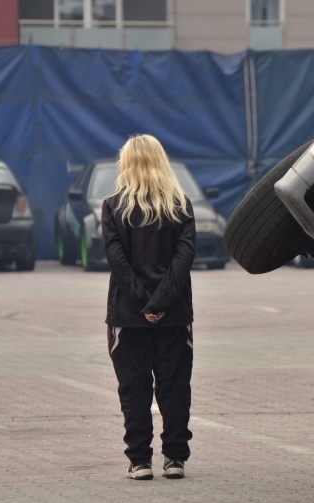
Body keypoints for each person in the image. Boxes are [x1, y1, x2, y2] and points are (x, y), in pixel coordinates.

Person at [101, 134, 196, 480]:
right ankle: (175, 458)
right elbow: (183, 261)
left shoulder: (113, 207)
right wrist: (161, 304)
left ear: (126, 164)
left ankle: (139, 461)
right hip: (175, 316)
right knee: (174, 387)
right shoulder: (181, 205)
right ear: (161, 161)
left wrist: (143, 304)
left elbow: (118, 263)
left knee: (134, 389)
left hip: (128, 316)